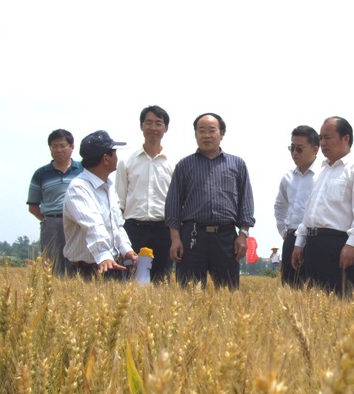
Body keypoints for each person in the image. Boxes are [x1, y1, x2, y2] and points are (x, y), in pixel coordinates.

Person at [165, 113, 255, 290]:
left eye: (212, 130)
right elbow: (173, 205)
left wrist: (243, 235)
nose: (206, 135)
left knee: (229, 293)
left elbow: (246, 203)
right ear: (195, 134)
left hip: (226, 237)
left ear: (222, 133)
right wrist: (175, 239)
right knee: (189, 293)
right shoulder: (184, 165)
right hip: (193, 237)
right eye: (201, 131)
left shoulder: (237, 164)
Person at [291, 116, 354, 297]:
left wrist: (352, 244)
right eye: (320, 138)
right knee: (312, 304)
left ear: (346, 138)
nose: (322, 143)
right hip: (312, 246)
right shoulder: (321, 173)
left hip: (338, 246)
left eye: (328, 138)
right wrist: (299, 242)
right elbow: (309, 212)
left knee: (341, 302)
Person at [63, 130, 138, 279]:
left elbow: (117, 226)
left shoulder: (109, 187)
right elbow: (93, 225)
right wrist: (103, 255)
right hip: (87, 271)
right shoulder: (78, 188)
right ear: (106, 158)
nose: (117, 157)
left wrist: (126, 250)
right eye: (114, 152)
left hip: (112, 266)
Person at [116, 105, 175, 283]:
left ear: (166, 128)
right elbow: (119, 201)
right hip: (133, 229)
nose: (153, 127)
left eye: (158, 123)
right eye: (148, 122)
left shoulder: (173, 163)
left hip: (163, 230)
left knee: (161, 281)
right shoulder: (126, 161)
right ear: (141, 126)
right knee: (129, 281)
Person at [27, 129, 84, 276]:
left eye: (62, 146)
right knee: (52, 267)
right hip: (52, 224)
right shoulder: (41, 174)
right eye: (54, 146)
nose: (58, 150)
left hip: (79, 223)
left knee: (78, 265)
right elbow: (33, 206)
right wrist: (49, 220)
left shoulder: (83, 170)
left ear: (72, 147)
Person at [274, 125, 322, 287]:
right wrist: (283, 231)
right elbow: (280, 206)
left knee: (315, 288)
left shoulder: (323, 175)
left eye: (300, 149)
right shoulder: (287, 178)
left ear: (315, 149)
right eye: (292, 148)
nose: (295, 153)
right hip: (291, 236)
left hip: (314, 239)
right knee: (289, 287)